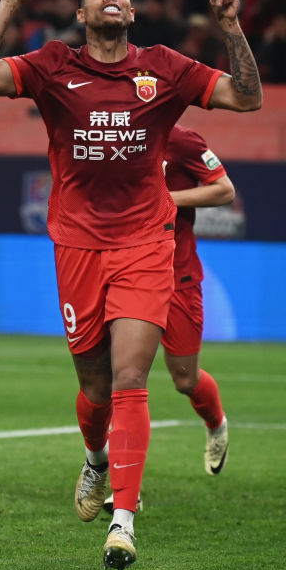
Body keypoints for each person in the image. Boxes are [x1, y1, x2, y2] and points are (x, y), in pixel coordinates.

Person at [0, 0, 262, 570]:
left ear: (133, 11)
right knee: (94, 387)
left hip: (147, 243)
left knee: (131, 379)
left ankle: (123, 521)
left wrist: (231, 27)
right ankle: (96, 460)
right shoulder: (53, 65)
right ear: (80, 12)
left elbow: (246, 97)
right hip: (76, 246)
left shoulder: (165, 68)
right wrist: (9, 3)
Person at [103, 123, 234, 514]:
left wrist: (163, 199)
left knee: (184, 378)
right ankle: (125, 488)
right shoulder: (108, 132)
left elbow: (224, 190)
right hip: (127, 273)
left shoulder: (181, 139)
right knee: (124, 377)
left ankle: (216, 424)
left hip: (178, 275)